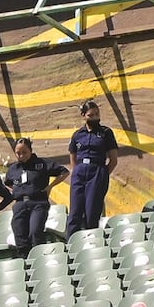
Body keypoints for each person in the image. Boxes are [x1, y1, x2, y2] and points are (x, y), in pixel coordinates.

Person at [4, 137, 69, 258]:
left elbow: (64, 172)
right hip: (20, 204)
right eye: (18, 153)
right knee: (19, 232)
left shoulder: (42, 163)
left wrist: (50, 186)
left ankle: (40, 258)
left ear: (30, 150)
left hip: (38, 202)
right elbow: (7, 183)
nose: (21, 155)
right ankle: (25, 260)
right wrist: (18, 191)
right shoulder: (13, 169)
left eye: (24, 152)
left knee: (35, 231)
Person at [66, 100, 119, 237]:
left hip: (97, 170)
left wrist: (103, 174)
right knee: (74, 213)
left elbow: (113, 159)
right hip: (80, 171)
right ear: (84, 115)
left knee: (92, 212)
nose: (95, 117)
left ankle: (91, 242)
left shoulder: (106, 133)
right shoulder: (78, 135)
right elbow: (73, 155)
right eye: (91, 115)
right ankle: (71, 244)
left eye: (97, 114)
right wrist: (75, 172)